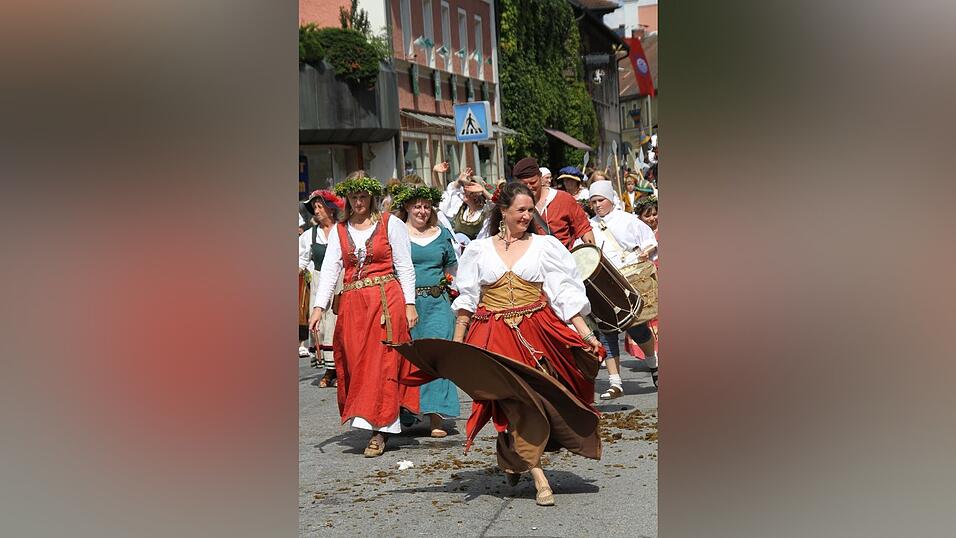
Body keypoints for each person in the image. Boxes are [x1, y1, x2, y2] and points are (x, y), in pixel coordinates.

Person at [449, 182, 603, 506]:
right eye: (521, 210)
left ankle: (513, 453)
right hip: (492, 335)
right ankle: (539, 477)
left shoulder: (544, 246)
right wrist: (457, 342)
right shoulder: (479, 250)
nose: (527, 216)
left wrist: (586, 334)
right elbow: (467, 298)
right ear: (503, 211)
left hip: (535, 332)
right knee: (511, 403)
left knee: (535, 401)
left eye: (531, 210)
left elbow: (564, 292)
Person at [309, 171, 420, 458]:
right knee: (356, 362)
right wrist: (319, 308)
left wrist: (410, 304)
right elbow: (331, 269)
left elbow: (404, 265)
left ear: (371, 196)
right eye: (354, 196)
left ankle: (380, 430)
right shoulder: (340, 230)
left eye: (363, 196)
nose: (359, 202)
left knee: (382, 364)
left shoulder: (390, 223)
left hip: (385, 302)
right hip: (353, 306)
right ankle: (375, 418)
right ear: (347, 199)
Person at [393, 185, 461, 437]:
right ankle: (408, 408)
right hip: (406, 303)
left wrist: (454, 294)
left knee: (438, 355)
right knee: (409, 357)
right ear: (407, 207)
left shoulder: (442, 234)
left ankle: (436, 417)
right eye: (417, 206)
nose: (422, 211)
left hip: (437, 303)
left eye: (426, 206)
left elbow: (452, 268)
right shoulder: (397, 234)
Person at [587, 180, 659, 393]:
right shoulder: (588, 226)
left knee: (637, 329)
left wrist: (646, 251)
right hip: (603, 283)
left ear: (610, 199)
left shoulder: (628, 220)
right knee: (607, 330)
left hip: (629, 279)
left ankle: (654, 364)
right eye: (593, 201)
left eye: (600, 200)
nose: (597, 205)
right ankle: (615, 382)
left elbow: (649, 240)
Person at [298, 189, 345, 385]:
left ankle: (340, 368)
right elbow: (301, 261)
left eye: (319, 207)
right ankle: (329, 369)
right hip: (319, 282)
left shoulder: (342, 230)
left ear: (331, 209)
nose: (316, 211)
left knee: (338, 325)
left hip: (341, 281)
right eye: (314, 208)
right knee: (321, 326)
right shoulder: (309, 235)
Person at [507, 157, 594, 250]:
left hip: (561, 257)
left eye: (533, 182)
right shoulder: (514, 205)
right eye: (524, 184)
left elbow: (584, 229)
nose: (529, 187)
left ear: (540, 177)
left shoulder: (564, 199)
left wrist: (592, 254)